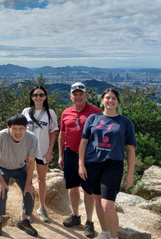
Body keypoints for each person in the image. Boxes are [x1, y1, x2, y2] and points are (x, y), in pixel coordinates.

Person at [78, 88, 137, 239]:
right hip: (92, 164)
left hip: (113, 165)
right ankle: (105, 232)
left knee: (107, 204)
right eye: (107, 98)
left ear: (118, 102)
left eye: (113, 98)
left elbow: (130, 149)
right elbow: (83, 143)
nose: (110, 101)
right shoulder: (93, 118)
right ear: (102, 100)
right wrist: (81, 164)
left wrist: (130, 174)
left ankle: (114, 237)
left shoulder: (125, 122)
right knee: (98, 199)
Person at [59, 82, 101, 238]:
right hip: (70, 153)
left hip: (89, 156)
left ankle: (90, 222)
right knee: (72, 187)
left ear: (86, 95)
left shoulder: (96, 112)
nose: (78, 97)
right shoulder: (65, 113)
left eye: (80, 94)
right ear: (70, 96)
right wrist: (61, 155)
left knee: (88, 190)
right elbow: (62, 135)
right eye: (75, 94)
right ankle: (75, 215)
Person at [0, 113, 39, 237]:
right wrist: (1, 182)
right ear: (8, 128)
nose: (18, 132)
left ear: (26, 128)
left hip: (21, 167)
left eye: (21, 128)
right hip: (2, 166)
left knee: (30, 192)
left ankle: (23, 219)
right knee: (1, 191)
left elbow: (32, 161)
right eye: (14, 128)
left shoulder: (32, 138)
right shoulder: (1, 136)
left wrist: (28, 184)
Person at [21, 85, 58, 222]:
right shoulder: (26, 111)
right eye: (35, 95)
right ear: (31, 97)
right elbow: (21, 132)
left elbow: (53, 134)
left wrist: (49, 152)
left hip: (42, 152)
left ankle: (42, 207)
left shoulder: (50, 113)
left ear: (45, 97)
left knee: (41, 180)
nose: (38, 97)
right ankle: (28, 208)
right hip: (28, 153)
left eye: (41, 95)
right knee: (27, 180)